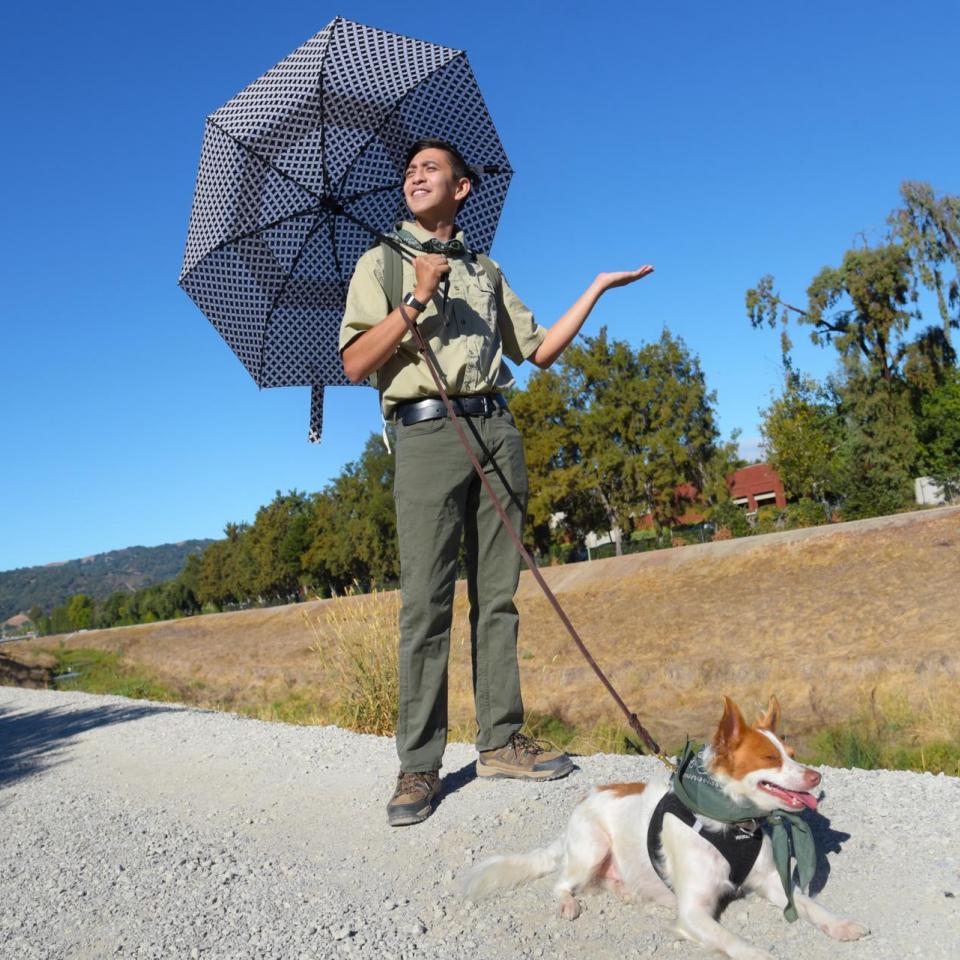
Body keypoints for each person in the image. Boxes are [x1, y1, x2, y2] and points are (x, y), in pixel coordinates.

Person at [340, 138, 653, 826]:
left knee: (498, 598)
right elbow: (357, 363)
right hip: (425, 436)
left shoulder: (485, 269)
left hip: (496, 433)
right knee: (425, 606)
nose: (416, 176)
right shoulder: (379, 262)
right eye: (410, 171)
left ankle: (501, 741)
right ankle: (419, 766)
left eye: (431, 169)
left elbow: (539, 351)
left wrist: (597, 287)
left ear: (463, 188)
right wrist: (414, 302)